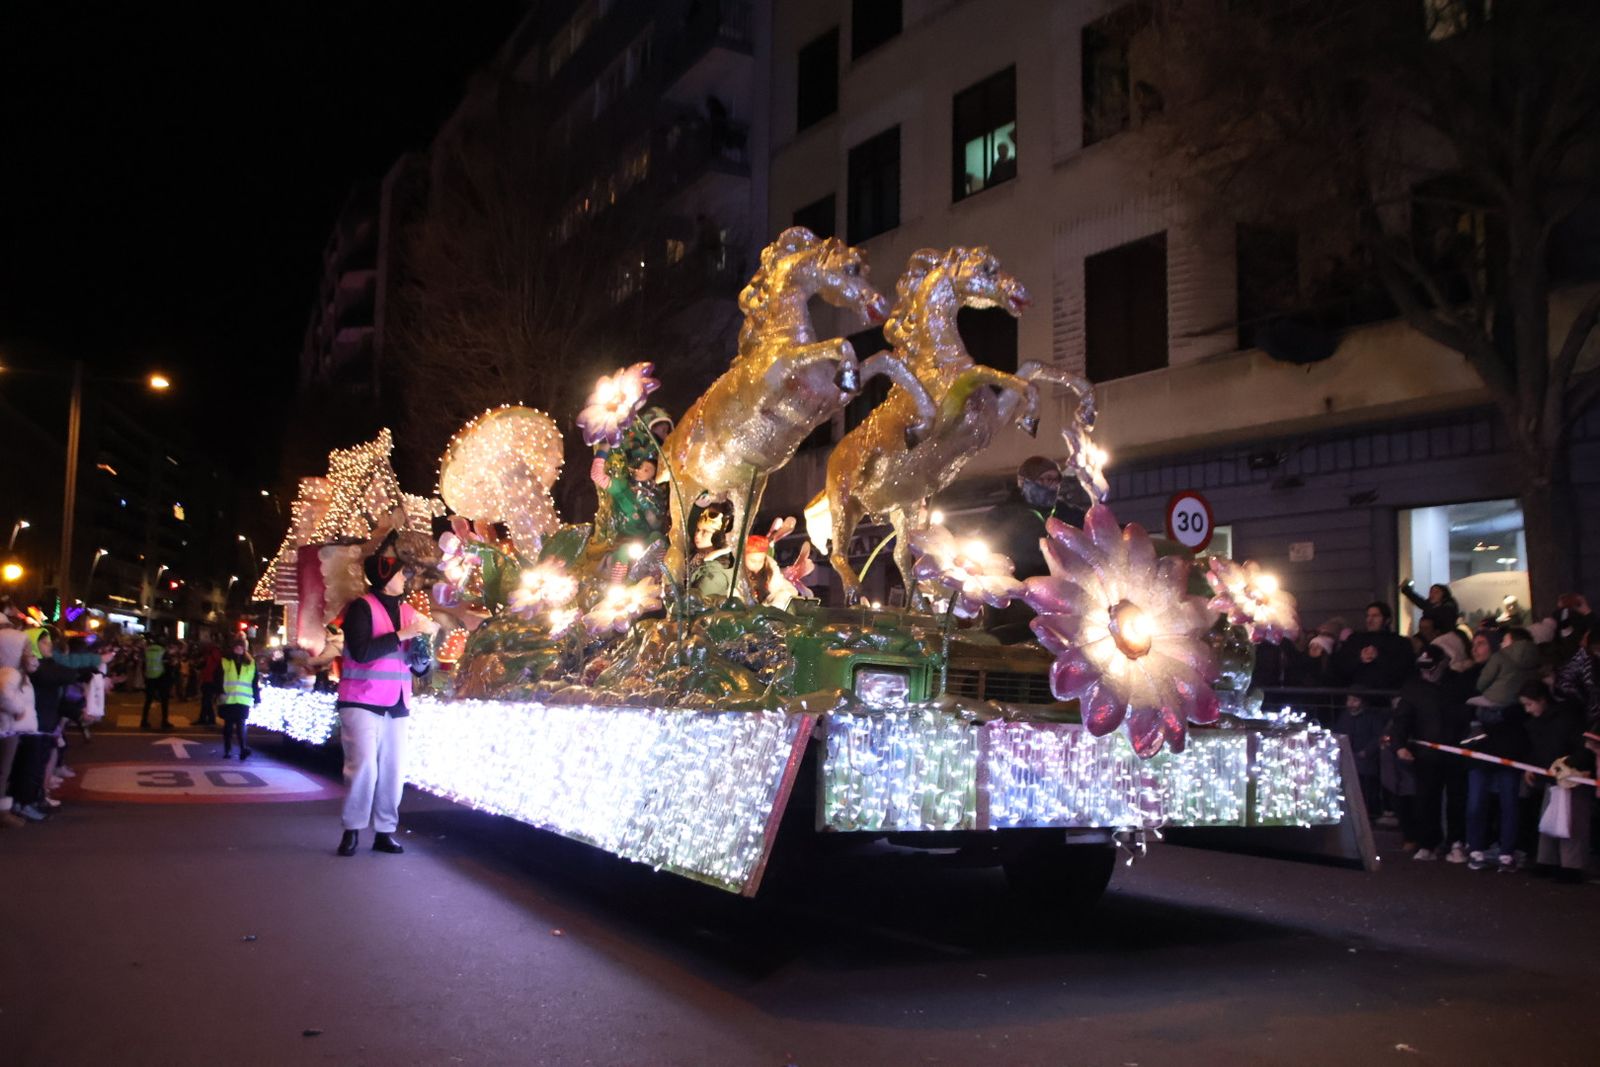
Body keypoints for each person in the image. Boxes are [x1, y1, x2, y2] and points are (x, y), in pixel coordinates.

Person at [334, 536, 436, 857]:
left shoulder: (410, 612)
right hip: (361, 699)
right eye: (400, 573)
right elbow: (362, 652)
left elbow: (417, 665)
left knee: (394, 769)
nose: (405, 578)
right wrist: (402, 634)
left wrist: (423, 657)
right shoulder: (361, 608)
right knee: (364, 766)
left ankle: (385, 831)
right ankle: (352, 829)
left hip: (398, 702)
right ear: (385, 578)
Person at [1389, 642, 1471, 861]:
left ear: (1443, 664)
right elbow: (1402, 719)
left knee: (1457, 799)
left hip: (1456, 752)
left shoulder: (1459, 684)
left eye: (1431, 668)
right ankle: (1428, 843)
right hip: (1426, 753)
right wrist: (1399, 745)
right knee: (1426, 799)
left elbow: (1468, 716)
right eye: (1423, 668)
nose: (1427, 673)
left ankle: (1456, 841)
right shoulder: (1414, 687)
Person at [1519, 680, 1595, 883]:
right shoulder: (1543, 722)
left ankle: (1570, 866)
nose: (1528, 710)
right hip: (1555, 776)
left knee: (1571, 822)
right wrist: (1531, 765)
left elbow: (1583, 747)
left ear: (1542, 700)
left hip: (1573, 777)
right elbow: (1538, 750)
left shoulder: (1566, 719)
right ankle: (1549, 861)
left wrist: (1571, 765)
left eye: (1530, 704)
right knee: (1550, 819)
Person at [1463, 672, 1531, 872]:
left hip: (1506, 757)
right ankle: (1476, 849)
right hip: (1481, 758)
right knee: (1476, 805)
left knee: (1508, 805)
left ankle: (1506, 853)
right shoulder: (1476, 706)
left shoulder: (1515, 709)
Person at [1333, 601, 1415, 690]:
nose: (1369, 620)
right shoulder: (1355, 639)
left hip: (1389, 692)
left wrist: (1379, 656)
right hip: (1357, 691)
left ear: (1387, 620)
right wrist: (1359, 657)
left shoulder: (1400, 642)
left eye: (1375, 616)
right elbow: (1340, 664)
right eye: (1368, 616)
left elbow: (1404, 668)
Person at [1334, 693, 1385, 823]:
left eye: (1355, 700)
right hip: (1348, 758)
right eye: (1349, 700)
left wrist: (1367, 751)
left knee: (1368, 790)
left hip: (1366, 761)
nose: (1350, 704)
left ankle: (1370, 816)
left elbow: (1378, 737)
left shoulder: (1372, 717)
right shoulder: (1345, 716)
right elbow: (1339, 733)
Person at [1471, 627, 1539, 709]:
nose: (1474, 649)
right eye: (1473, 645)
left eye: (1481, 644)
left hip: (1497, 702)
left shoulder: (1499, 658)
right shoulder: (1534, 657)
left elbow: (1482, 683)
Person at [218, 636, 259, 760]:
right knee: (228, 726)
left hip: (243, 700)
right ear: (233, 648)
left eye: (241, 647)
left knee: (241, 725)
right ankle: (228, 750)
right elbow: (218, 678)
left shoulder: (251, 663)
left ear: (245, 648)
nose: (238, 649)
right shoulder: (225, 661)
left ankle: (243, 749)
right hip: (228, 698)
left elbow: (254, 682)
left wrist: (257, 698)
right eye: (236, 647)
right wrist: (220, 692)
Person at [140, 635, 173, 731]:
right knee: (164, 701)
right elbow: (167, 665)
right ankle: (164, 721)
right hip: (161, 677)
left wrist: (145, 676)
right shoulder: (163, 651)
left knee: (148, 700)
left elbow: (144, 665)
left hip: (149, 677)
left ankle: (144, 720)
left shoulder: (147, 651)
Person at [196, 640, 222, 728]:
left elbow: (211, 667)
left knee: (207, 700)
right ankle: (204, 718)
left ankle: (209, 719)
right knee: (205, 700)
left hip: (210, 680)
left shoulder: (213, 654)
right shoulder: (211, 654)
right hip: (208, 679)